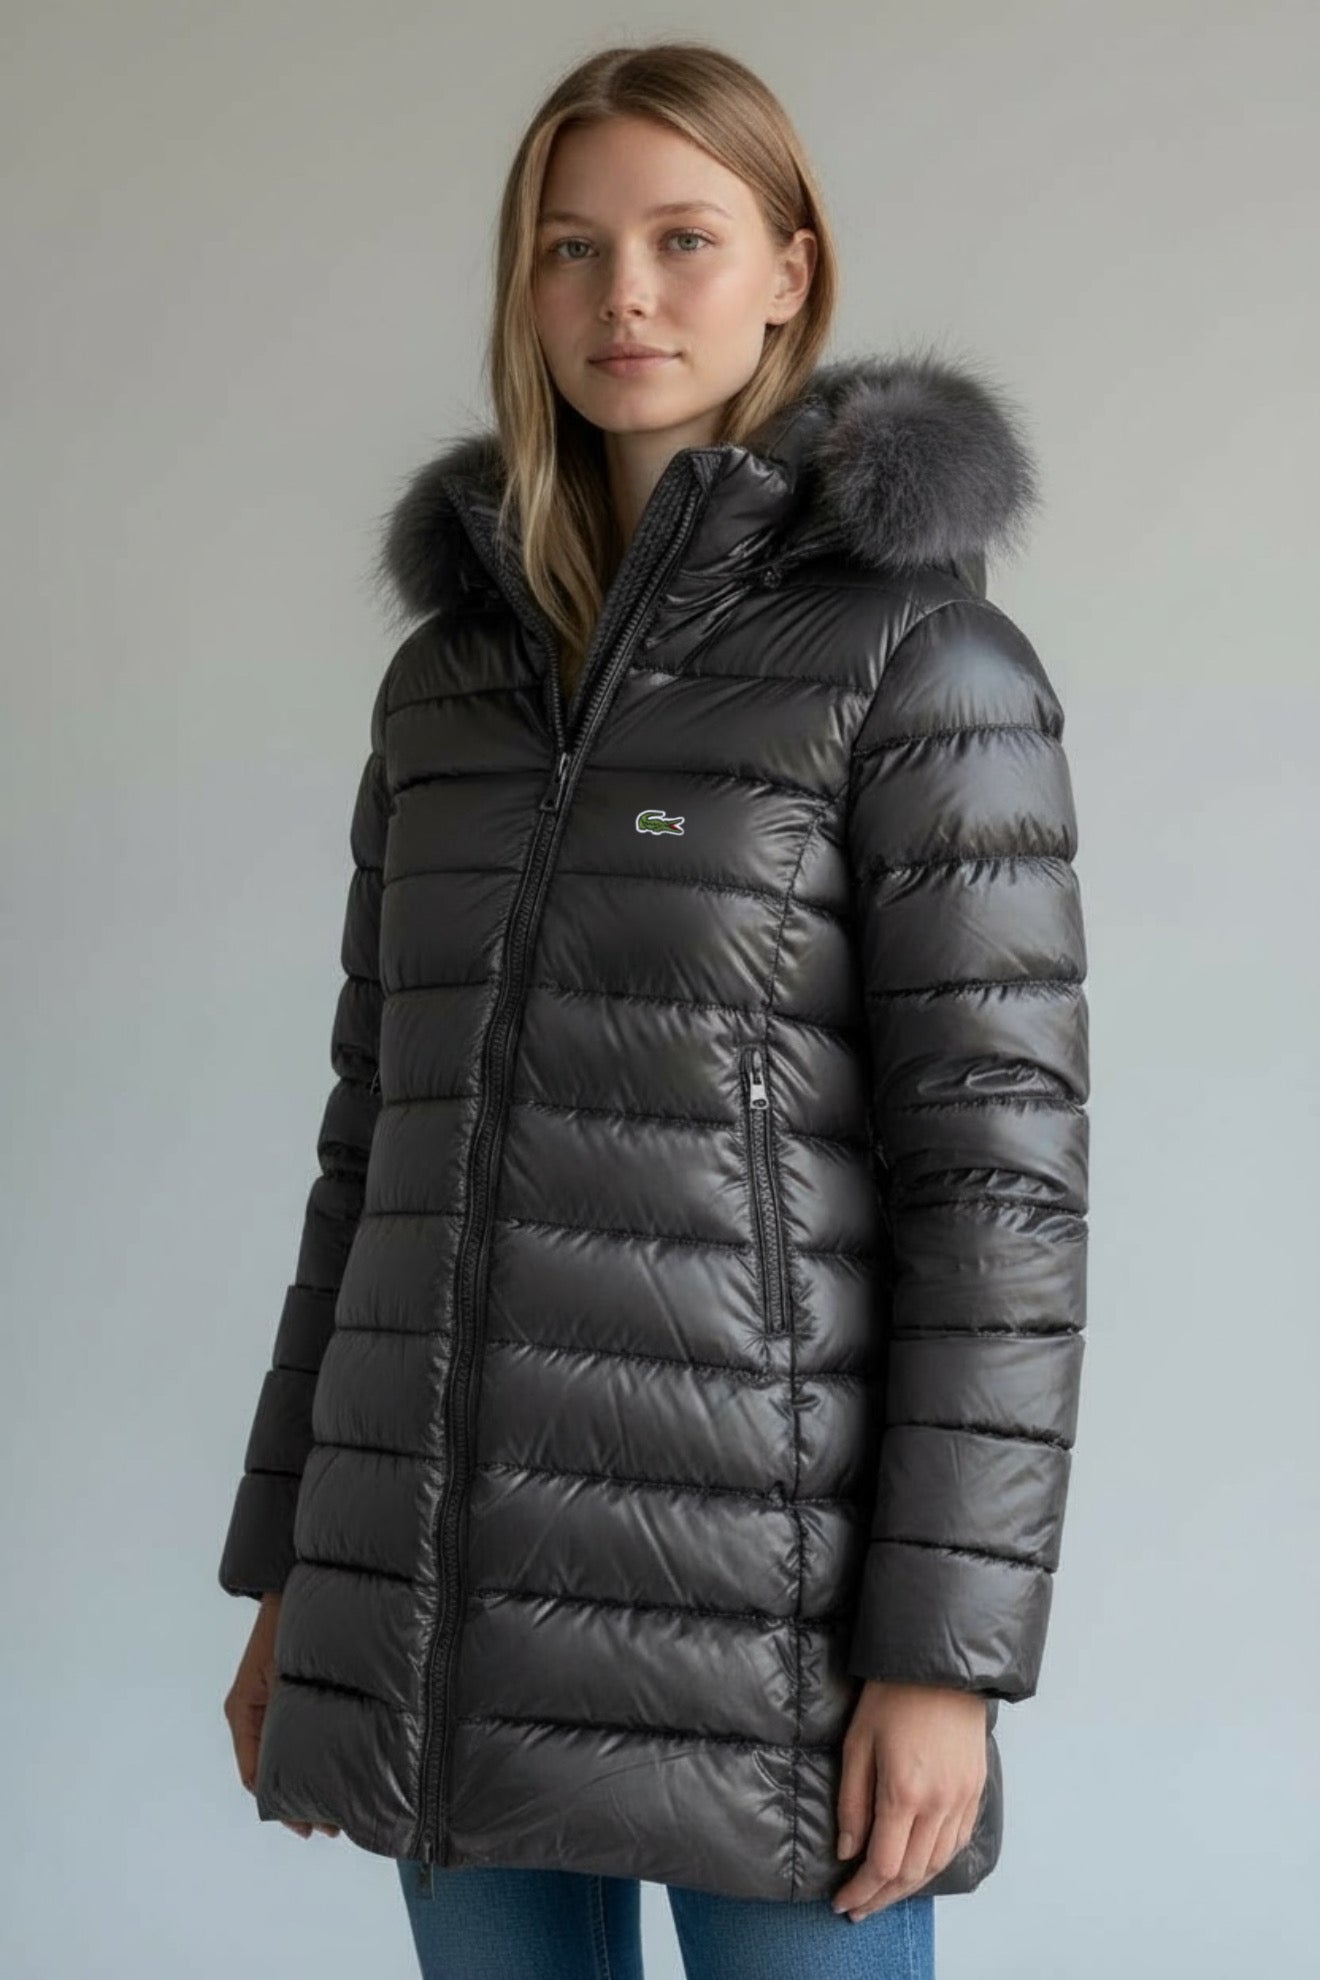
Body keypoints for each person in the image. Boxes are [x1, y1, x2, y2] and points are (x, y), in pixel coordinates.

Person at [219, 37, 1089, 1980]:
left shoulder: (919, 663)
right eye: (571, 246)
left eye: (684, 238)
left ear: (791, 271)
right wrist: (297, 1571)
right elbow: (375, 1154)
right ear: (524, 287)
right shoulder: (447, 690)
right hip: (440, 1599)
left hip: (772, 1625)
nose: (624, 293)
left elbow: (1000, 1202)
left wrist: (943, 1662)